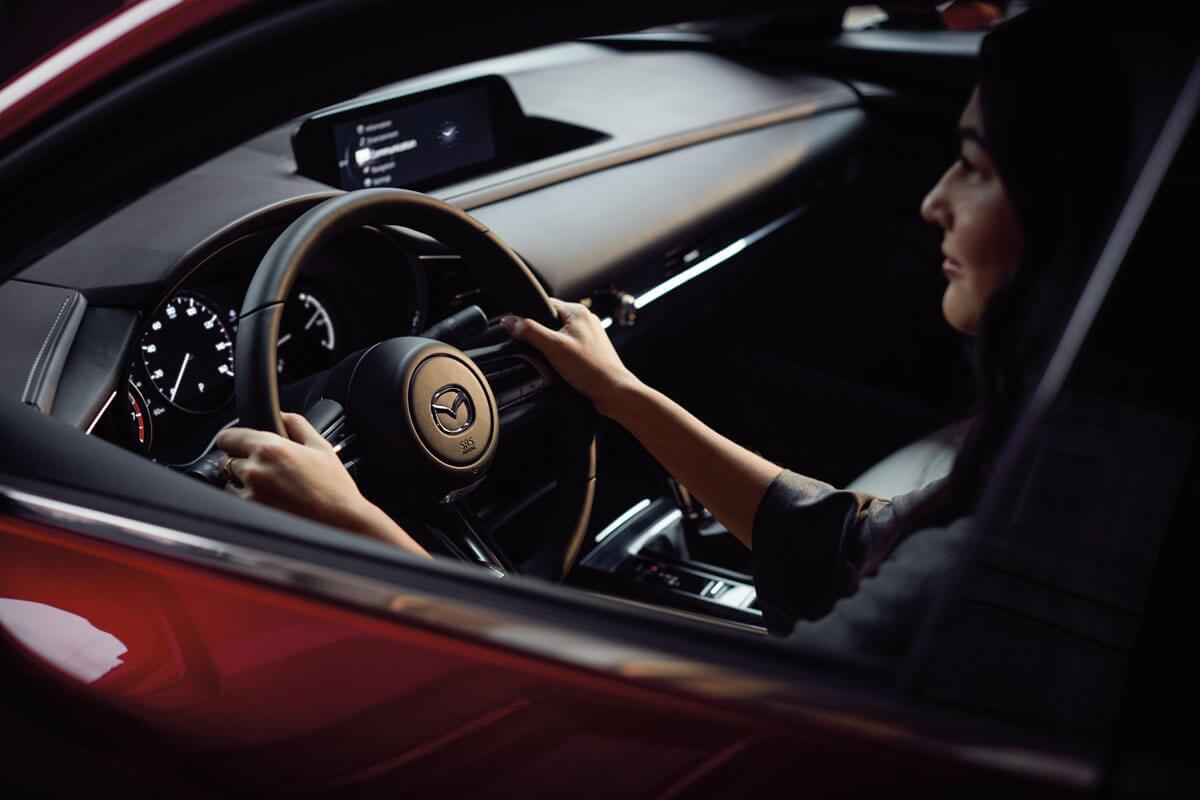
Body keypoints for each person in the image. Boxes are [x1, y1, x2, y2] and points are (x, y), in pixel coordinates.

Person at [215, 3, 1127, 658]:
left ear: (1071, 214)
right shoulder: (1072, 464)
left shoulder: (980, 576)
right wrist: (621, 395)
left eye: (972, 168)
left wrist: (352, 525)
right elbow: (843, 538)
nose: (933, 202)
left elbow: (617, 708)